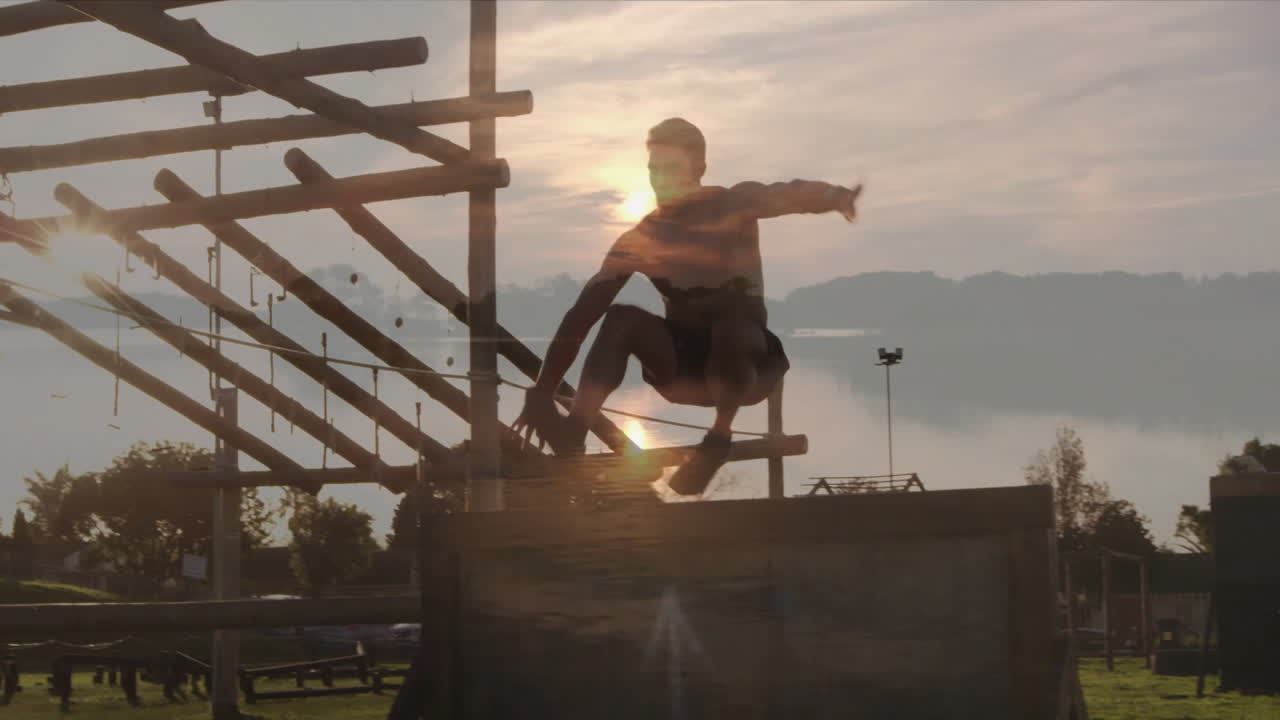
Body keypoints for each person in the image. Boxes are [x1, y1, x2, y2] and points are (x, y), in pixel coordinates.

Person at [513, 117, 862, 496]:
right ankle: (574, 433)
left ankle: (717, 440)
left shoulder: (732, 203)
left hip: (747, 367)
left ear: (699, 169)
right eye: (653, 170)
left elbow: (788, 194)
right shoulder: (642, 238)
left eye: (671, 170)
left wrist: (835, 197)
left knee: (730, 327)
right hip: (681, 369)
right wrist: (542, 390)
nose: (660, 180)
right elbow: (583, 315)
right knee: (620, 317)